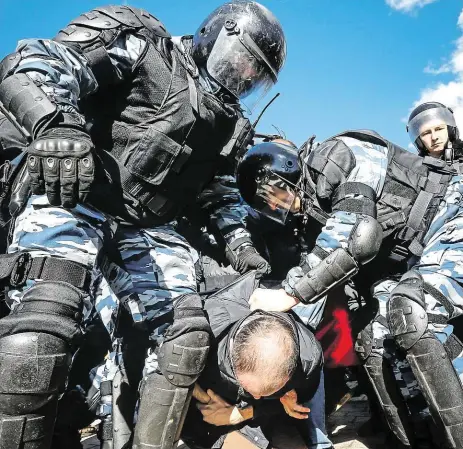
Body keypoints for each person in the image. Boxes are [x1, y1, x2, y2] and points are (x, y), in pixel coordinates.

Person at [0, 2, 285, 447]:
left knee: (184, 339)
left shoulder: (229, 123)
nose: (243, 76)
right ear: (215, 34)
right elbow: (40, 62)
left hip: (149, 226)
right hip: (78, 190)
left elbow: (218, 190)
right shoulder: (146, 48)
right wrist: (57, 125)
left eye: (255, 75)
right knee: (40, 330)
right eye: (241, 60)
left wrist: (240, 244)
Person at [236, 124, 463, 448]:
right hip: (415, 252)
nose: (276, 206)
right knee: (372, 337)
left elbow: (357, 233)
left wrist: (288, 293)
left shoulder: (338, 154)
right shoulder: (311, 213)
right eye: (267, 204)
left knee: (414, 311)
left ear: (285, 172)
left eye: (273, 195)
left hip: (452, 212)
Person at [181, 272, 333, 449]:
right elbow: (169, 371)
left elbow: (294, 403)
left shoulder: (308, 361)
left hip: (256, 416)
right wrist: (202, 397)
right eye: (251, 389)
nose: (256, 396)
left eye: (269, 390)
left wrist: (245, 412)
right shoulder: (205, 332)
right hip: (206, 407)